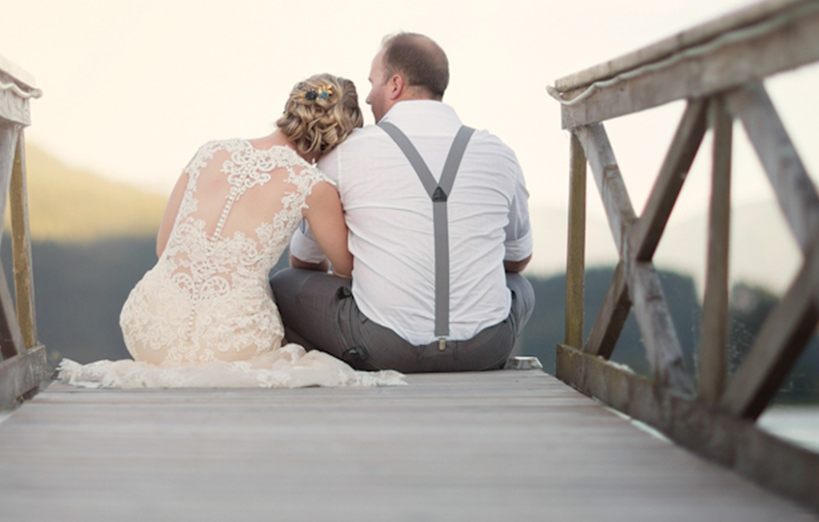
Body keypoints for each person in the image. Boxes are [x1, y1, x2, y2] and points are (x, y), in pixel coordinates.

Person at [58, 74, 404, 389]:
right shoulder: (313, 185)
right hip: (232, 337)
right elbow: (346, 268)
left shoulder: (210, 151)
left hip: (150, 323)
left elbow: (164, 248)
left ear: (291, 106)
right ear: (337, 136)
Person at [270, 33, 535, 373]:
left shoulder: (345, 153)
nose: (367, 97)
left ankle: (334, 366)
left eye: (372, 82)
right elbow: (517, 260)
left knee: (284, 283)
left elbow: (306, 259)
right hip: (486, 349)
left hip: (386, 347)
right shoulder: (500, 153)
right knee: (519, 287)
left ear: (395, 85)